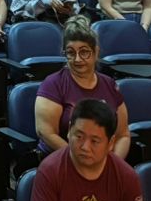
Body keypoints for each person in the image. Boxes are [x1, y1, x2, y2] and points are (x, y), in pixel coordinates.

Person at [35, 17, 131, 159]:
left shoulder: (109, 84)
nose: (78, 59)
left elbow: (123, 135)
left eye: (84, 52)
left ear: (96, 52)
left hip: (104, 161)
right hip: (62, 158)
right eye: (71, 53)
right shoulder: (53, 84)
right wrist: (82, 160)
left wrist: (113, 164)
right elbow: (46, 133)